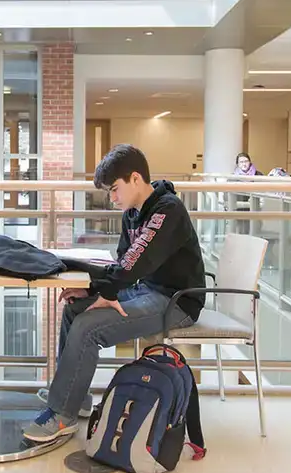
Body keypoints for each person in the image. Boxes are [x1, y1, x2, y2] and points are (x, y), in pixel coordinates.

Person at [23, 144, 206, 442]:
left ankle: (62, 416)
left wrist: (103, 290)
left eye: (115, 189)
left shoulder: (168, 210)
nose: (112, 198)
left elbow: (134, 264)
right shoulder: (132, 214)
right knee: (74, 311)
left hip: (178, 301)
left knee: (88, 327)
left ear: (136, 179)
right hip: (146, 289)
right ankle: (75, 398)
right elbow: (123, 263)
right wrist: (93, 291)